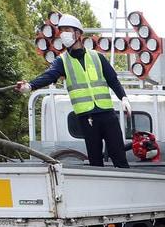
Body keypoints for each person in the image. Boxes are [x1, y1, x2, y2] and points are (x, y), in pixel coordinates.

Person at [16, 14, 130, 169]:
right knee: (95, 160)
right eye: (61, 31)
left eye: (67, 30)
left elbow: (113, 80)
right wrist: (30, 86)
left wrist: (123, 98)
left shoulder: (97, 57)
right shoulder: (62, 61)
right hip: (86, 117)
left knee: (119, 155)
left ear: (78, 33)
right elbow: (49, 76)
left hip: (107, 114)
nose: (63, 34)